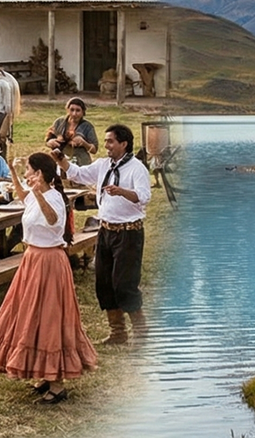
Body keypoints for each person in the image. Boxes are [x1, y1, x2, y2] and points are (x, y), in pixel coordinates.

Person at [0, 152, 99, 403]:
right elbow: (24, 197)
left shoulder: (54, 198)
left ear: (40, 174)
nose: (27, 175)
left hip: (49, 262)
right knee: (31, 316)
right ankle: (44, 374)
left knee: (49, 317)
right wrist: (14, 172)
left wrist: (39, 193)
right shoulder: (35, 194)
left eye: (29, 171)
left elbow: (53, 221)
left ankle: (57, 384)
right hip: (33, 259)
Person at [60, 124, 153, 344]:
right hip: (105, 231)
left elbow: (144, 196)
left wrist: (122, 191)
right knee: (104, 282)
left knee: (124, 283)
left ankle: (141, 332)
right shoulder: (103, 165)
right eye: (106, 141)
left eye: (111, 141)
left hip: (128, 233)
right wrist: (60, 160)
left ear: (124, 143)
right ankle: (117, 332)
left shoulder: (137, 168)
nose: (106, 145)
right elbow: (79, 174)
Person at [45, 98, 98, 166]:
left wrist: (84, 143)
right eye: (72, 110)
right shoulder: (59, 122)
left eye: (78, 110)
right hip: (59, 160)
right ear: (67, 110)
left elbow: (94, 150)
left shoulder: (87, 127)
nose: (74, 114)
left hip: (80, 163)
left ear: (83, 112)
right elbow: (48, 138)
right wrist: (50, 142)